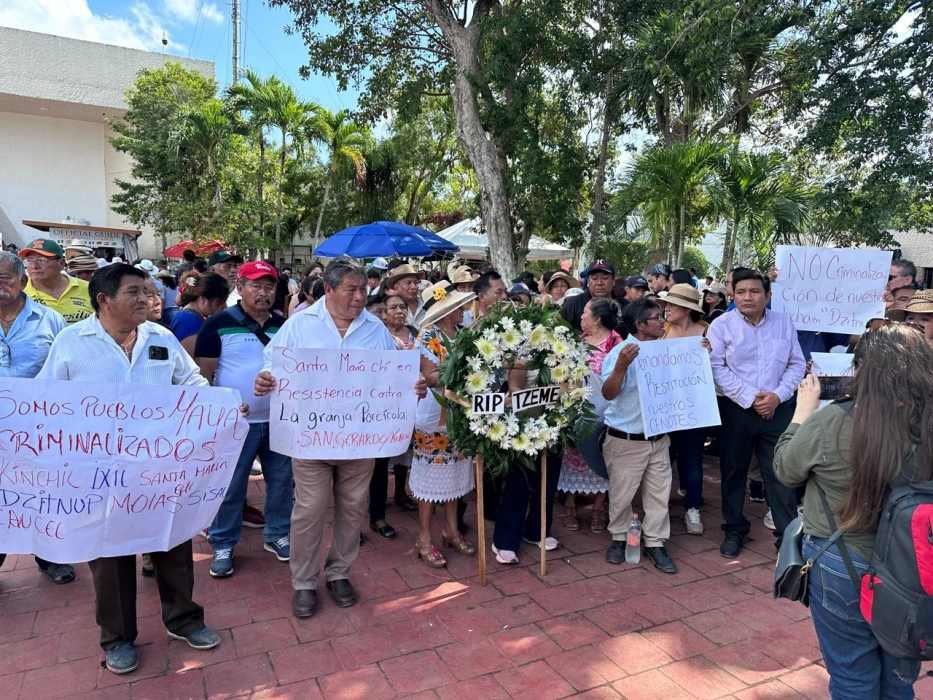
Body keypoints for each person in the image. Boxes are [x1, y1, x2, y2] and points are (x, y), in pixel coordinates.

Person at [37, 263, 220, 674]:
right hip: (100, 473)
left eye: (147, 291)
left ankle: (184, 619)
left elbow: (191, 382)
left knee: (172, 544)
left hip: (158, 468)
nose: (147, 299)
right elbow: (49, 404)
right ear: (104, 300)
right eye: (134, 292)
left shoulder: (162, 337)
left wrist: (218, 407)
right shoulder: (71, 343)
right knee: (109, 555)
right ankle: (117, 638)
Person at [254, 259, 427, 619]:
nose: (360, 297)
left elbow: (391, 375)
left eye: (364, 289)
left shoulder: (375, 329)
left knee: (352, 509)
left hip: (360, 440)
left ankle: (339, 573)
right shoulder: (300, 325)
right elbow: (272, 364)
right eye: (351, 289)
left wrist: (412, 386)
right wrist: (266, 378)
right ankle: (303, 582)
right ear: (329, 290)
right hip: (311, 439)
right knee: (310, 510)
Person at [774, 325, 932, 698]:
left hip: (844, 563)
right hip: (915, 567)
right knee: (898, 678)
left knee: (852, 676)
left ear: (860, 370)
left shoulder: (832, 421)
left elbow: (785, 469)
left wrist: (801, 413)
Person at [195, 261, 292, 578]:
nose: (263, 293)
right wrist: (222, 409)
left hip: (279, 420)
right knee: (231, 486)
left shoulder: (283, 325)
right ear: (240, 287)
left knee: (281, 483)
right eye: (256, 285)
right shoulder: (218, 323)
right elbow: (203, 376)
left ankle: (277, 534)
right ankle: (223, 542)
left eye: (269, 286)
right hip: (238, 425)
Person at [707, 267, 806, 557]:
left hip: (777, 410)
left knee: (780, 473)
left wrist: (777, 396)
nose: (747, 297)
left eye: (754, 291)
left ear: (768, 295)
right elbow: (715, 368)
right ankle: (734, 529)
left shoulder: (783, 323)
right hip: (737, 410)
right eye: (740, 292)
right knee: (734, 470)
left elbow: (796, 364)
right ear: (732, 294)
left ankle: (786, 538)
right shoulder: (721, 325)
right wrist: (751, 398)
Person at [0, 251, 76, 584]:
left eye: (6, 279)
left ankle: (50, 556)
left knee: (42, 495)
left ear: (23, 282)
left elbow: (67, 371)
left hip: (39, 430)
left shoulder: (50, 321)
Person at [600, 299, 676, 572]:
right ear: (640, 325)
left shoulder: (668, 351)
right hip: (626, 439)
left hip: (658, 438)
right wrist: (621, 365)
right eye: (656, 318)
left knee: (658, 494)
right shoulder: (620, 352)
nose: (661, 322)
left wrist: (699, 355)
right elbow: (608, 393)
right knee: (622, 494)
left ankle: (656, 542)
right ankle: (619, 538)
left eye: (661, 316)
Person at [410, 281, 477, 567]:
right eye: (459, 306)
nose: (464, 310)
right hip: (433, 414)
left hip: (458, 413)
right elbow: (430, 376)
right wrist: (466, 376)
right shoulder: (428, 336)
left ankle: (451, 529)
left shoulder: (463, 333)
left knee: (455, 473)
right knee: (429, 479)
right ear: (447, 311)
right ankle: (424, 537)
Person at [558, 298, 620, 532]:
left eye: (585, 313)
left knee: (601, 460)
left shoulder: (616, 342)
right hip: (578, 411)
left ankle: (598, 509)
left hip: (606, 414)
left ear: (597, 318)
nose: (581, 317)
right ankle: (571, 507)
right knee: (573, 458)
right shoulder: (577, 341)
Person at [368, 291, 420, 539]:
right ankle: (376, 515)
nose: (399, 311)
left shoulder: (415, 333)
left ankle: (401, 493)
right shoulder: (376, 337)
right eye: (393, 308)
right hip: (381, 407)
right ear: (383, 313)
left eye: (402, 307)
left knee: (405, 453)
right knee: (378, 463)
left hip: (409, 404)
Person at [660, 284, 710, 535]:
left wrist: (709, 354)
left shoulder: (707, 332)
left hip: (695, 408)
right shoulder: (662, 330)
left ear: (687, 309)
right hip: (666, 406)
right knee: (663, 459)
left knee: (692, 459)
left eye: (671, 304)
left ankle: (693, 509)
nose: (666, 308)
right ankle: (659, 509)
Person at [19, 239, 93, 324]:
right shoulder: (20, 294)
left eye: (41, 260)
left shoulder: (89, 289)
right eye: (29, 261)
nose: (34, 266)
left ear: (61, 263)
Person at [169, 272, 230, 356]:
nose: (223, 307)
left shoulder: (190, 317)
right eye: (219, 302)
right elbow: (189, 362)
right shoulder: (188, 322)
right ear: (203, 299)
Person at [561, 260, 615, 331]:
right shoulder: (572, 305)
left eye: (605, 278)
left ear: (613, 282)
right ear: (588, 282)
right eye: (594, 278)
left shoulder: (624, 306)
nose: (599, 283)